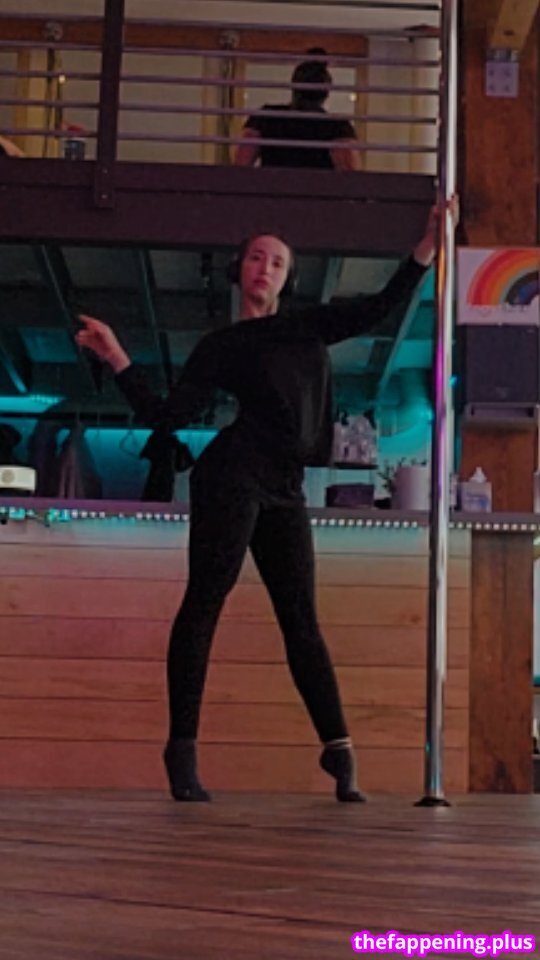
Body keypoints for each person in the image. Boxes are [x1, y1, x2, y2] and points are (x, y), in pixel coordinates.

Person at [76, 200, 456, 804]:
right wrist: (117, 357)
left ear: (287, 279)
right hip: (231, 474)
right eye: (256, 257)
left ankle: (338, 750)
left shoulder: (307, 327)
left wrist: (428, 246)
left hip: (284, 484)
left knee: (301, 619)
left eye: (277, 262)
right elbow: (168, 416)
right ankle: (181, 750)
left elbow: (379, 307)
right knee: (205, 601)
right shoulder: (223, 344)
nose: (265, 267)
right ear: (240, 270)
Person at [234, 48, 358, 171]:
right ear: (326, 93)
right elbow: (349, 174)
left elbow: (241, 166)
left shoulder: (266, 117)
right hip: (315, 184)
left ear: (294, 86)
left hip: (274, 183)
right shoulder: (337, 126)